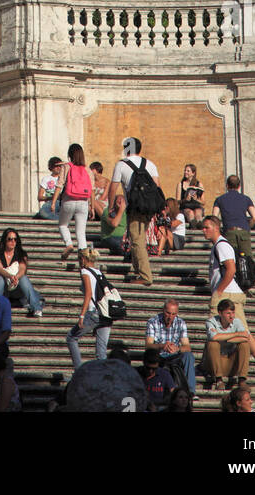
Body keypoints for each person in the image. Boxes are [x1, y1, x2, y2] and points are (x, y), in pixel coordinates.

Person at [108, 137, 161, 288]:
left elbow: (113, 188)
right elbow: (157, 186)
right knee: (137, 238)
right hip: (149, 208)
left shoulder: (121, 165)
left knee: (137, 242)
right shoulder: (150, 164)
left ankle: (145, 276)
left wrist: (111, 206)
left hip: (135, 207)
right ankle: (139, 271)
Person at [203, 299, 255, 388]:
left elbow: (245, 337)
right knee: (213, 344)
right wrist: (236, 334)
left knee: (244, 344)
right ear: (220, 313)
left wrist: (223, 338)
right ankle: (219, 380)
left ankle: (242, 379)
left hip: (231, 362)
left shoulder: (237, 321)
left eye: (233, 313)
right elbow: (214, 337)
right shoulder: (211, 321)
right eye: (228, 313)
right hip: (215, 363)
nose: (231, 316)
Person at [65, 246, 110, 369]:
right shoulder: (99, 272)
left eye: (80, 259)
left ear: (84, 259)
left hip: (93, 312)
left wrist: (82, 315)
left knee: (71, 338)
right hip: (105, 314)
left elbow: (88, 294)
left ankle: (79, 371)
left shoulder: (85, 272)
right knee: (101, 353)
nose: (79, 262)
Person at [145, 297, 197, 395]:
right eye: (168, 313)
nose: (170, 317)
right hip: (159, 355)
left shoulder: (181, 323)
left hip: (174, 355)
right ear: (163, 310)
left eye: (173, 314)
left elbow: (187, 346)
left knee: (188, 356)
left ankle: (190, 392)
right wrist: (162, 346)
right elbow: (148, 346)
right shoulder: (153, 322)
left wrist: (177, 348)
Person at [203, 215, 248, 325]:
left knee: (213, 329)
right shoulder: (218, 245)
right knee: (244, 334)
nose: (203, 230)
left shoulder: (221, 245)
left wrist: (218, 292)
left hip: (227, 294)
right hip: (229, 293)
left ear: (216, 228)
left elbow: (231, 269)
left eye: (206, 227)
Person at [54, 142, 93, 260]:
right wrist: (92, 207)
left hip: (69, 200)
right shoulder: (87, 169)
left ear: (69, 155)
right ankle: (84, 259)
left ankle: (69, 244)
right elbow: (92, 189)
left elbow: (59, 185)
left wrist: (53, 202)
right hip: (83, 202)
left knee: (62, 225)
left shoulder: (66, 167)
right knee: (81, 232)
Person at [0, 227, 43, 316]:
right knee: (0, 278)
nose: (13, 241)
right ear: (4, 240)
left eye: (15, 239)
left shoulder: (21, 254)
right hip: (3, 287)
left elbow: (22, 269)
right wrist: (10, 276)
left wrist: (16, 277)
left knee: (23, 278)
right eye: (10, 239)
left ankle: (36, 308)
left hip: (16, 285)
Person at [212, 174, 255, 257]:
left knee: (231, 259)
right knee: (248, 260)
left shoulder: (219, 199)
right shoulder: (246, 199)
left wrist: (220, 231)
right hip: (243, 232)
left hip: (229, 232)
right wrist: (247, 227)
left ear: (227, 186)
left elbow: (214, 218)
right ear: (239, 186)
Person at [35, 155, 63, 221]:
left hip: (63, 202)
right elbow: (40, 197)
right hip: (50, 203)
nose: (58, 168)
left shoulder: (65, 178)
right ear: (51, 167)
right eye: (56, 166)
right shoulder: (46, 179)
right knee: (43, 212)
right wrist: (52, 198)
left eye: (60, 166)